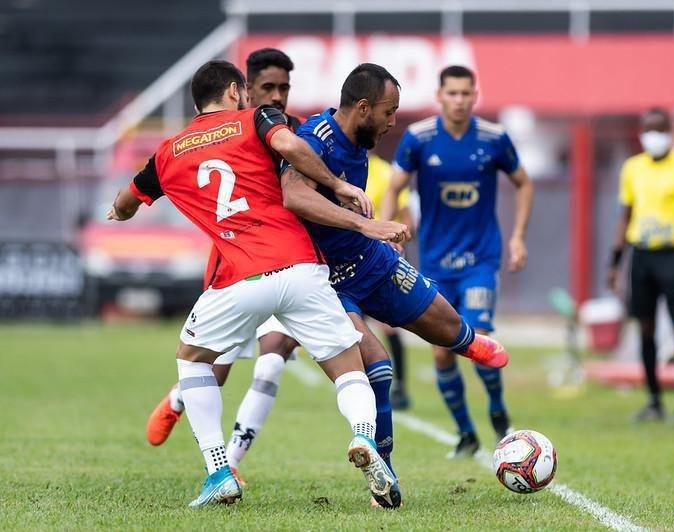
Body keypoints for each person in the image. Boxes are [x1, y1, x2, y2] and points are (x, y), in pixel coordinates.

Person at [110, 60, 408, 507]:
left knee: (192, 360)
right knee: (348, 367)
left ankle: (219, 470)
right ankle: (364, 437)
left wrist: (119, 211)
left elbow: (126, 202)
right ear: (235, 91)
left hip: (237, 277)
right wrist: (336, 184)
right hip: (301, 267)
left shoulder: (168, 151)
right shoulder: (256, 119)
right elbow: (288, 145)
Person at [283, 63, 511, 494]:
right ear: (363, 107)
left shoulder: (359, 139)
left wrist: (377, 233)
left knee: (447, 321)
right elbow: (293, 195)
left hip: (370, 259)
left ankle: (467, 342)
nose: (392, 121)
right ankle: (383, 472)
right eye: (389, 112)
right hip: (325, 279)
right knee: (379, 368)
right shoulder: (316, 139)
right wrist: (368, 225)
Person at [146, 50, 307, 483]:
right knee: (214, 369)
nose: (277, 96)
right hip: (233, 268)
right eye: (268, 87)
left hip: (287, 263)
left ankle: (230, 461)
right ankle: (179, 398)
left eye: (284, 88)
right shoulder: (233, 131)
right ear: (243, 90)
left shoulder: (293, 132)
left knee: (272, 360)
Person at [383, 65, 534, 458]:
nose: (459, 100)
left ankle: (498, 412)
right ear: (439, 96)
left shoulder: (494, 138)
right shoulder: (419, 138)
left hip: (480, 260)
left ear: (475, 96)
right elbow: (394, 186)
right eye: (452, 93)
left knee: (478, 341)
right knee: (441, 351)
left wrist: (518, 236)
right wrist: (384, 229)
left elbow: (524, 183)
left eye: (466, 93)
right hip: (435, 263)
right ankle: (466, 434)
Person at [607, 107, 674, 423]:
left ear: (670, 132)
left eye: (659, 129)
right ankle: (654, 400)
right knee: (645, 327)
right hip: (641, 255)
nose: (653, 135)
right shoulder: (633, 168)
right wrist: (615, 262)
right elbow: (625, 216)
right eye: (648, 129)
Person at [364, 153, 415, 410]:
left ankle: (400, 387)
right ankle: (362, 388)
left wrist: (393, 238)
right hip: (347, 260)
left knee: (388, 326)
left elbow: (407, 218)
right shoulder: (337, 166)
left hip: (379, 262)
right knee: (350, 328)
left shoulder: (385, 173)